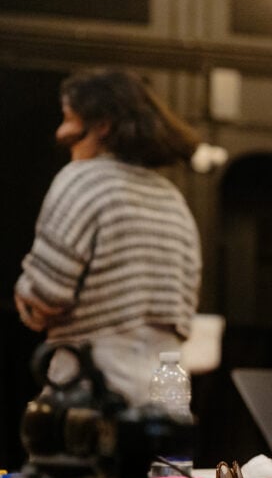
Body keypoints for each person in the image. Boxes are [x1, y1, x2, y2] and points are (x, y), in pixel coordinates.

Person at [14, 68, 202, 406]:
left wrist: (24, 297)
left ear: (102, 125)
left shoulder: (82, 180)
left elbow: (45, 294)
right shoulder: (173, 199)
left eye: (68, 118)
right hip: (168, 393)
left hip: (91, 390)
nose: (60, 131)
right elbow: (186, 307)